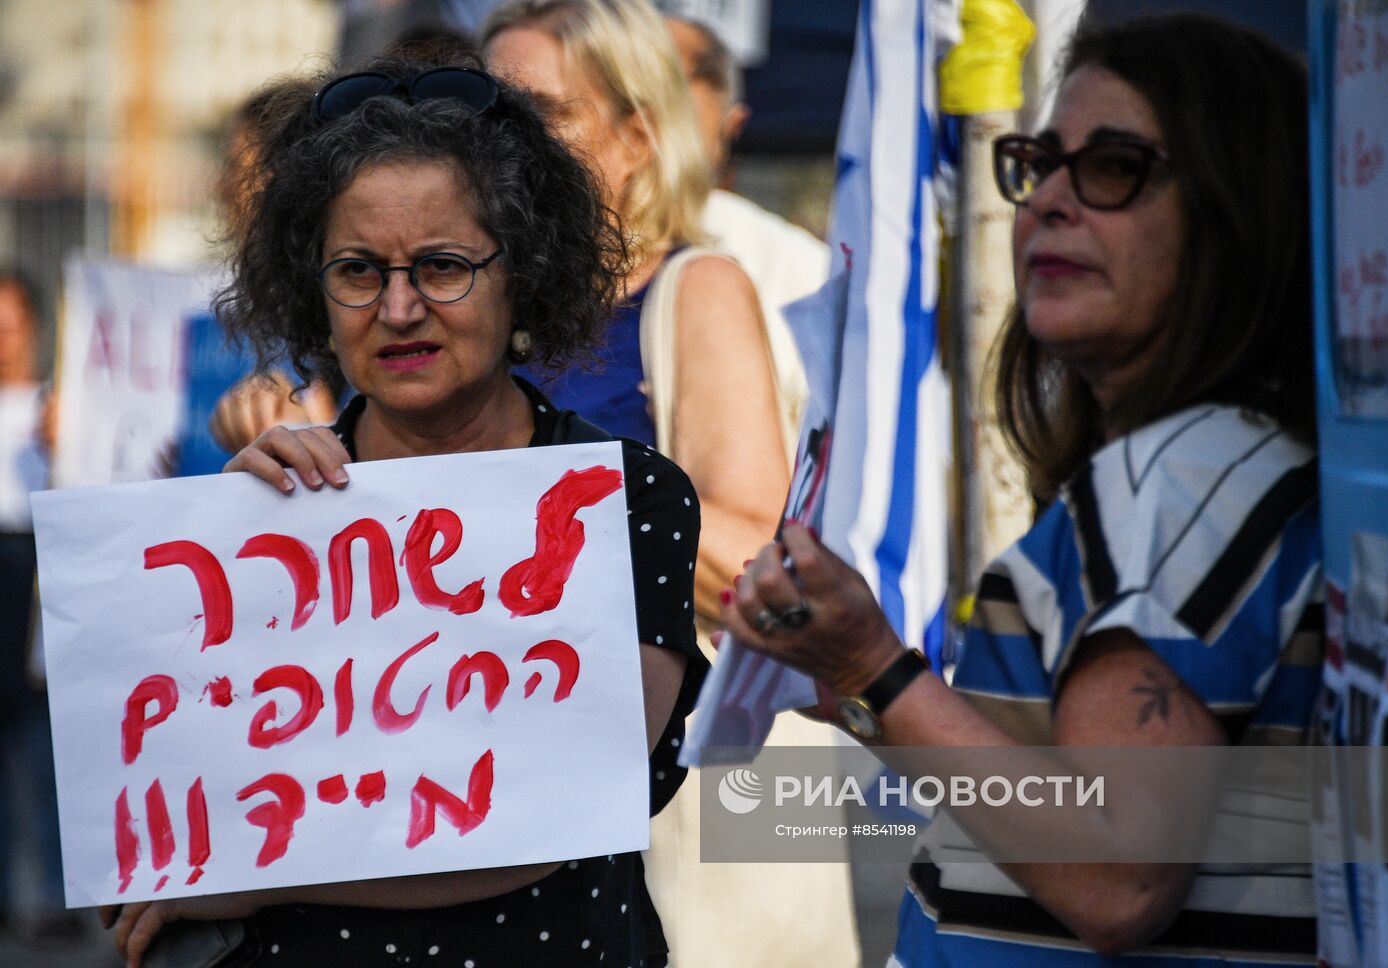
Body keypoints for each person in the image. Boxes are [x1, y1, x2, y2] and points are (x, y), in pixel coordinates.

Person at [725, 13, 1321, 966]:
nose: (1048, 201)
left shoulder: (1179, 476)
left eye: (1115, 167)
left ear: (1239, 212)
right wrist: (859, 692)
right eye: (1038, 164)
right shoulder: (1202, 466)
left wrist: (875, 666)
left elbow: (1116, 876)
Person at [101, 56, 705, 968]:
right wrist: (237, 536)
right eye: (357, 269)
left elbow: (560, 804)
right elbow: (164, 796)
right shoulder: (262, 512)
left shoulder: (628, 499)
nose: (398, 307)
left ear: (524, 272)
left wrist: (255, 877)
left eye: (443, 266)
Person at [481, 4, 860, 966]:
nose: (498, 147)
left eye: (540, 114)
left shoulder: (695, 289)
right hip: (524, 804)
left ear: (637, 136)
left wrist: (533, 486)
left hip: (682, 817)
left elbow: (757, 562)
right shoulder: (484, 311)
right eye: (482, 115)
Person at [665, 14, 829, 455]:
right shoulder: (540, 258)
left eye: (674, 108)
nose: (650, 134)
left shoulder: (800, 267)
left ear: (731, 127)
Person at [0, 270, 77, 943]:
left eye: (10, 326)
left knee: (36, 734)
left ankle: (42, 893)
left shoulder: (61, 405)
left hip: (31, 562)